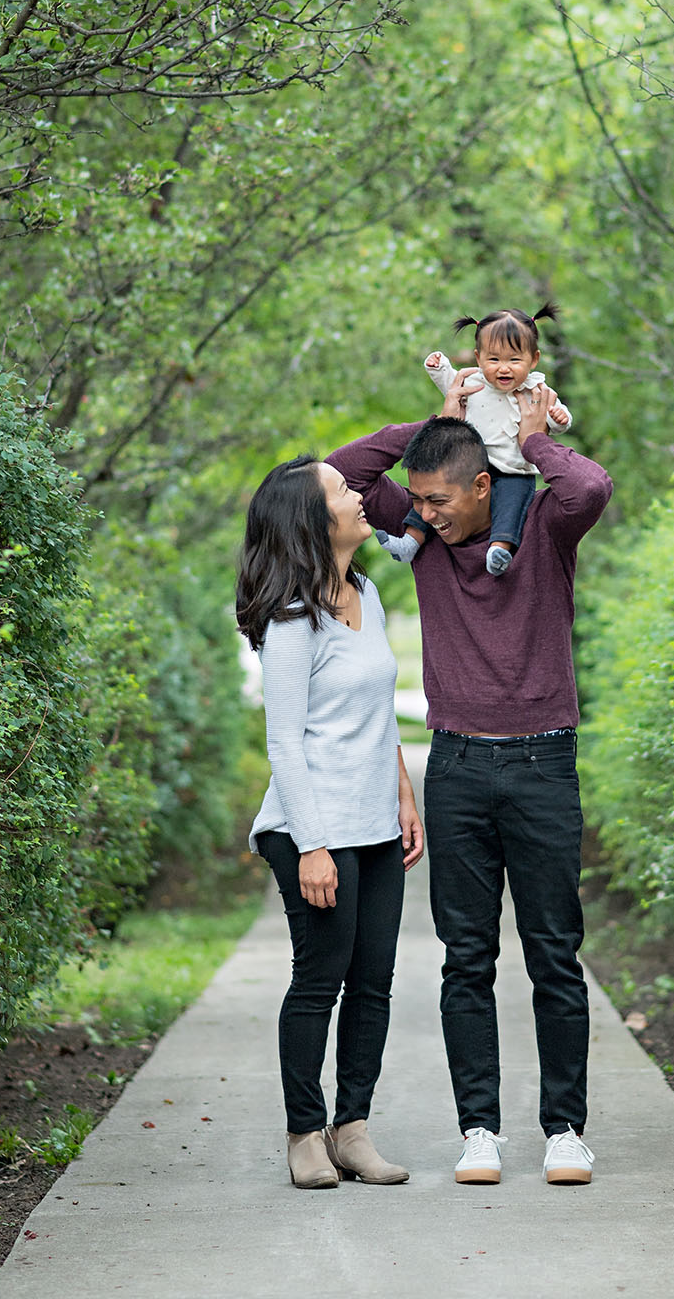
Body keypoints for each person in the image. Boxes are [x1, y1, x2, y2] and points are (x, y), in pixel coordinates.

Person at [328, 372, 613, 1187]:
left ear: (485, 484)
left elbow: (588, 482)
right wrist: (434, 422)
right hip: (455, 764)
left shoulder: (545, 530)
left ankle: (565, 1130)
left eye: (442, 499)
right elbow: (335, 477)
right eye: (416, 498)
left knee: (555, 954)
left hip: (543, 764)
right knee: (467, 958)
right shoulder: (420, 527)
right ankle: (479, 1129)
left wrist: (527, 438)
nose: (423, 512)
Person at [237, 455, 424, 1190]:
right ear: (314, 519)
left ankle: (354, 1129)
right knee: (320, 981)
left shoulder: (366, 593)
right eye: (344, 491)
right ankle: (304, 1134)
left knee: (373, 981)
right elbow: (284, 740)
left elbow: (378, 708)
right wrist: (312, 846)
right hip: (311, 829)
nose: (360, 495)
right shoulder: (292, 619)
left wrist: (404, 795)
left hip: (375, 823)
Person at [375, 303, 573, 576]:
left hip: (514, 469)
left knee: (512, 504)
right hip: (468, 463)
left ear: (533, 359)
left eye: (514, 360)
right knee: (432, 497)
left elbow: (554, 416)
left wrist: (559, 418)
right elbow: (450, 383)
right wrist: (438, 365)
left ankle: (499, 549)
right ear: (479, 358)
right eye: (494, 360)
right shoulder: (474, 382)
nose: (503, 368)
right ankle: (410, 540)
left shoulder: (536, 390)